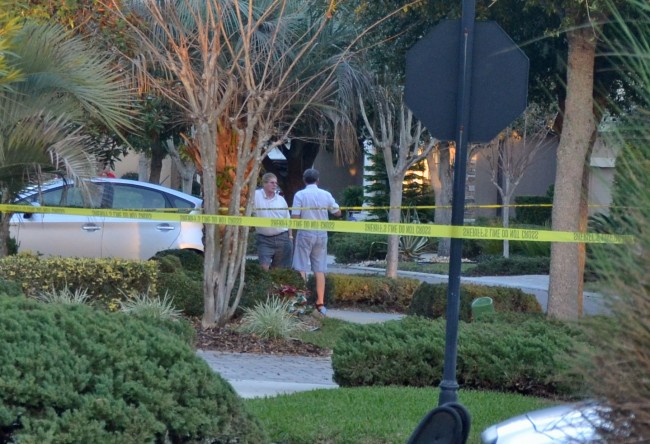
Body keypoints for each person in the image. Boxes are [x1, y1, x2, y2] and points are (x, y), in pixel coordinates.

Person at [291, 168, 341, 316]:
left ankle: (302, 301)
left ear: (304, 180)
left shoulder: (300, 195)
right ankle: (320, 303)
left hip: (305, 233)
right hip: (321, 234)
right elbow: (337, 212)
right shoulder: (325, 194)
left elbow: (295, 217)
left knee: (301, 266)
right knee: (319, 269)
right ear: (318, 180)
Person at [253, 172, 292, 270]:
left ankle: (276, 286)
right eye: (272, 182)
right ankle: (266, 285)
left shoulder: (280, 199)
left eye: (276, 183)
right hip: (264, 239)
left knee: (279, 270)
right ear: (264, 184)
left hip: (282, 237)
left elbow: (288, 219)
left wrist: (290, 237)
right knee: (264, 267)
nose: (275, 185)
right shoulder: (255, 196)